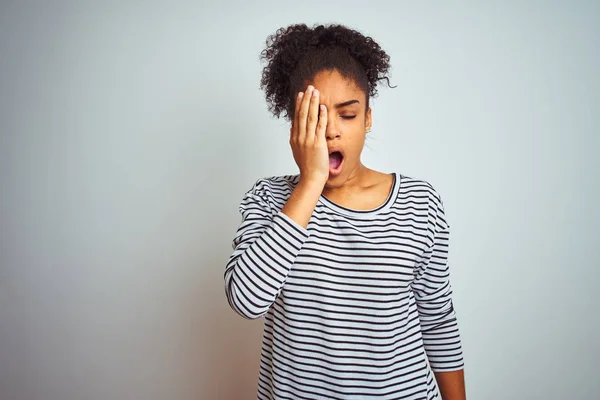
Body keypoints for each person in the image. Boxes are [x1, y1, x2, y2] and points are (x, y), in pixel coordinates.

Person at [224, 23, 466, 400]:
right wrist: (310, 183)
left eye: (347, 115)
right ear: (295, 124)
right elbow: (246, 300)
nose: (331, 131)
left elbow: (437, 319)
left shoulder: (419, 203)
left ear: (368, 118)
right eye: (316, 117)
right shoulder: (270, 198)